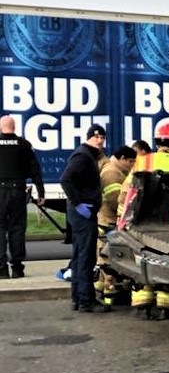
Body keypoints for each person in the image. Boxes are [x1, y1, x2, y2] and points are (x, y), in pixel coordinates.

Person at [118, 122, 169, 320]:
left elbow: (127, 192)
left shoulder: (142, 162)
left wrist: (123, 219)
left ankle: (142, 305)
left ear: (157, 141)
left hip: (142, 222)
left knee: (141, 258)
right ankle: (165, 305)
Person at [60, 124, 110, 312]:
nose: (99, 141)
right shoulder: (83, 156)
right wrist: (78, 203)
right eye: (96, 137)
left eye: (102, 138)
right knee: (86, 257)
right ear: (89, 137)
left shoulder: (88, 155)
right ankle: (86, 300)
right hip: (82, 212)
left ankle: (78, 298)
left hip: (83, 211)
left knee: (80, 255)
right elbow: (65, 179)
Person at [0, 115, 45, 279]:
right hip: (18, 190)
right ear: (14, 127)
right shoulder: (24, 145)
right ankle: (17, 268)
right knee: (17, 229)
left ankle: (2, 269)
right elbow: (35, 171)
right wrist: (41, 192)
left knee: (0, 230)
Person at [96, 145, 136, 306]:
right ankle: (110, 297)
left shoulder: (115, 170)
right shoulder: (112, 173)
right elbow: (115, 200)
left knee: (104, 261)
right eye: (131, 161)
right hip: (109, 222)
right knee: (107, 262)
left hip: (107, 221)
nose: (132, 165)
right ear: (122, 159)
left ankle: (102, 293)